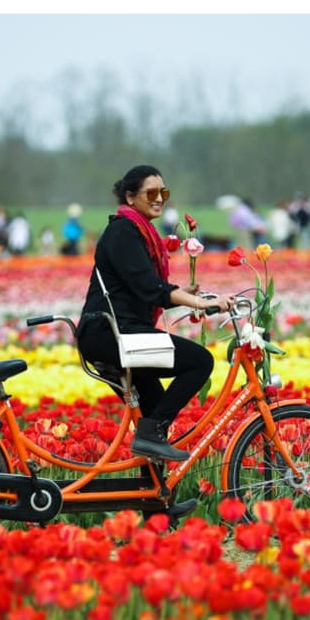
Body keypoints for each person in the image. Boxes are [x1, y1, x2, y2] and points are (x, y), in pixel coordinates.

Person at [77, 165, 232, 464]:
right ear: (131, 197)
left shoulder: (137, 230)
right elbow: (151, 287)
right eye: (152, 192)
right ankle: (150, 435)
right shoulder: (123, 232)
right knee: (200, 361)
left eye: (164, 192)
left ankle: (158, 504)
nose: (160, 198)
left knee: (154, 414)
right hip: (112, 335)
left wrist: (186, 294)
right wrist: (198, 304)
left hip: (119, 331)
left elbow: (142, 288)